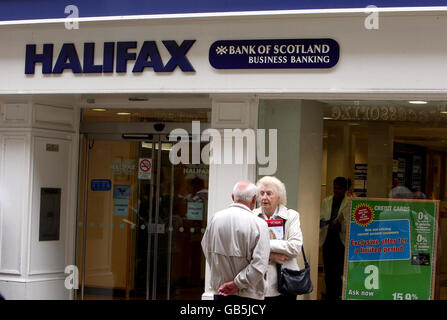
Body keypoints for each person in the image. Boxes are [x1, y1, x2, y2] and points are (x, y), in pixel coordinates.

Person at [201, 181, 270, 301]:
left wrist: (224, 278)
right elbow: (259, 265)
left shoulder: (215, 219)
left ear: (233, 197)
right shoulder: (259, 224)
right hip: (249, 295)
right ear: (254, 199)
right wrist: (236, 284)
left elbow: (207, 249)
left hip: (221, 292)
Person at [254, 176, 303, 301]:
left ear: (279, 197)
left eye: (269, 194)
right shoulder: (252, 216)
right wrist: (270, 255)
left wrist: (263, 246)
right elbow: (245, 249)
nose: (264, 197)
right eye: (262, 193)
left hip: (286, 283)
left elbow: (295, 247)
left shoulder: (291, 216)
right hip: (257, 285)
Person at [319, 176, 349, 300]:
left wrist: (340, 223)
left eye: (340, 189)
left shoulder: (349, 202)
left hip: (341, 241)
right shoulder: (326, 201)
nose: (337, 191)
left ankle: (338, 294)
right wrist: (324, 222)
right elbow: (321, 217)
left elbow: (349, 222)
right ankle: (329, 293)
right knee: (328, 270)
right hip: (328, 239)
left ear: (345, 189)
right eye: (335, 188)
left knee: (339, 270)